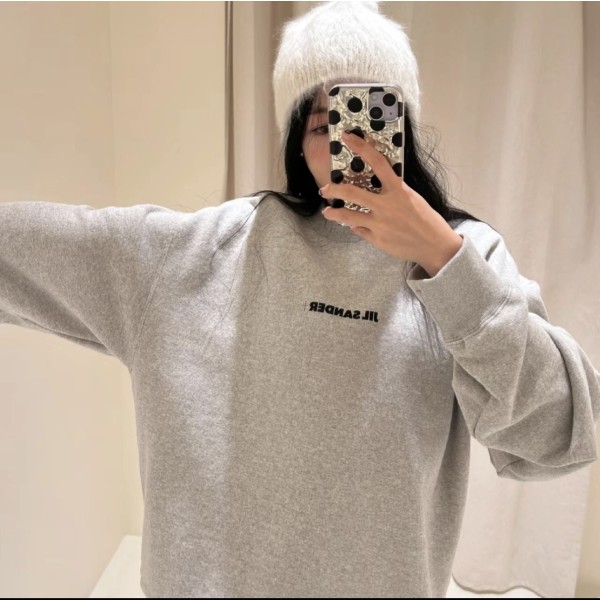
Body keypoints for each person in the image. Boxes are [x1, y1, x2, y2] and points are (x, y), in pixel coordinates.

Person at [1, 1, 599, 597]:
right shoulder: (196, 254)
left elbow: (559, 435)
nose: (348, 140)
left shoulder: (467, 258)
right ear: (296, 142)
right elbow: (25, 246)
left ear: (403, 128)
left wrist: (443, 260)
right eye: (321, 123)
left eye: (368, 113)